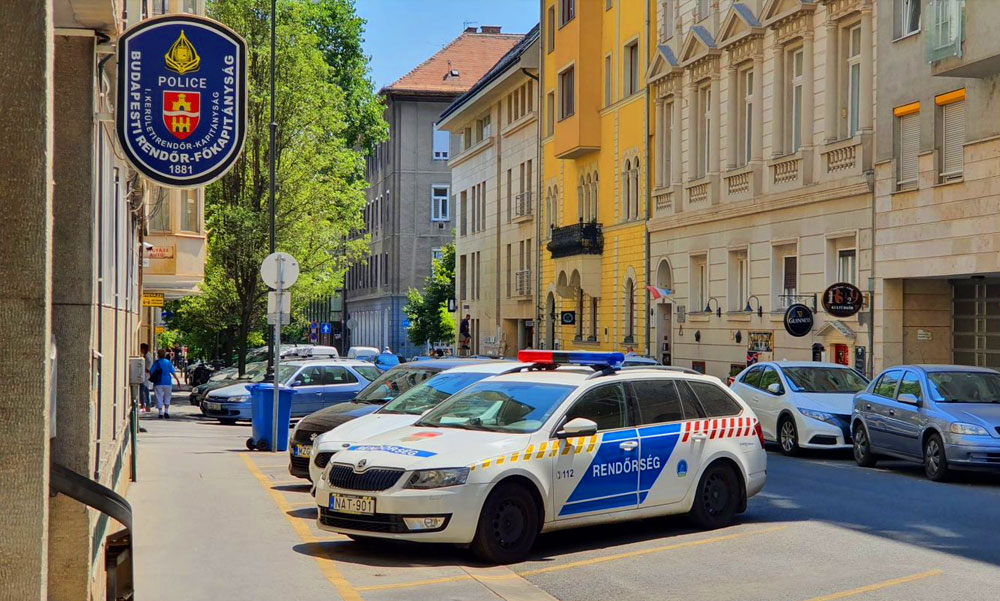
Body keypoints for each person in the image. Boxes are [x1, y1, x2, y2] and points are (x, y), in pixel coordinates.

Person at [149, 348, 181, 419]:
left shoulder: (156, 363)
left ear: (158, 355)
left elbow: (151, 371)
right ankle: (166, 411)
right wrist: (178, 381)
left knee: (159, 396)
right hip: (167, 382)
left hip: (158, 382)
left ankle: (160, 412)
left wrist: (153, 378)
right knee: (167, 396)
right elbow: (173, 372)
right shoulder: (168, 362)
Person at [140, 343, 153, 412]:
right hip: (146, 376)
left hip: (145, 376)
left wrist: (146, 369)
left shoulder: (147, 356)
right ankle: (147, 405)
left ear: (143, 349)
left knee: (142, 391)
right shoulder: (148, 355)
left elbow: (149, 365)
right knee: (146, 391)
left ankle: (144, 405)